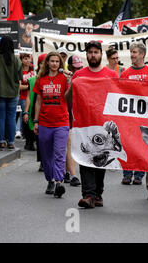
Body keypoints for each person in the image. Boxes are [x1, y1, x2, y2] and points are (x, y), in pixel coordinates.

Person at [66, 40, 118, 209]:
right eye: (90, 52)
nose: (93, 55)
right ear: (86, 55)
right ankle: (88, 195)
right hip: (83, 125)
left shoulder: (111, 74)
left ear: (101, 55)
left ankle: (98, 194)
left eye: (96, 52)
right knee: (85, 158)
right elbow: (68, 99)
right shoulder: (78, 75)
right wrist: (72, 87)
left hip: (103, 125)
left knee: (100, 161)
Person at [33, 52, 70, 198]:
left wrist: (70, 80)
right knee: (46, 155)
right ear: (47, 63)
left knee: (59, 153)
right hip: (44, 123)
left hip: (61, 122)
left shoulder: (64, 78)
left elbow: (71, 96)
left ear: (60, 63)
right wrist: (35, 121)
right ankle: (50, 180)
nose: (54, 64)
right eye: (52, 61)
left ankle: (59, 182)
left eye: (57, 61)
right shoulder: (41, 79)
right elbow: (38, 102)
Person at [120, 42, 148, 186]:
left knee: (142, 145)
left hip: (145, 115)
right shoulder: (126, 73)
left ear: (142, 54)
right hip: (129, 115)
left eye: (134, 52)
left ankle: (139, 174)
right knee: (127, 144)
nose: (132, 55)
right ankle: (127, 173)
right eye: (131, 52)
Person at [63, 55, 84, 187]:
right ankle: (73, 175)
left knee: (71, 144)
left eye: (80, 67)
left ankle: (67, 172)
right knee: (70, 144)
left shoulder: (83, 77)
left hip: (78, 115)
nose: (78, 70)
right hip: (65, 114)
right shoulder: (64, 78)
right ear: (69, 67)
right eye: (76, 68)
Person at [0, 36, 22, 150]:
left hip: (0, 92)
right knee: (11, 117)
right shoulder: (17, 60)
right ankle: (11, 142)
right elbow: (20, 77)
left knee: (1, 117)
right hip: (14, 92)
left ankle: (1, 141)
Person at [23, 53, 46, 170]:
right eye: (42, 63)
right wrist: (26, 112)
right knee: (39, 138)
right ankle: (42, 161)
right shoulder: (32, 80)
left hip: (49, 113)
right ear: (39, 65)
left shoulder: (54, 80)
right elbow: (28, 97)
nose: (44, 66)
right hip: (35, 113)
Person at [16, 53, 36, 140]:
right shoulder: (19, 71)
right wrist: (29, 86)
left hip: (31, 96)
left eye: (29, 58)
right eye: (25, 59)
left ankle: (25, 133)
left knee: (27, 114)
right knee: (22, 114)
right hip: (21, 97)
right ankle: (18, 131)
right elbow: (19, 86)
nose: (27, 60)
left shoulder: (32, 71)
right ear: (21, 60)